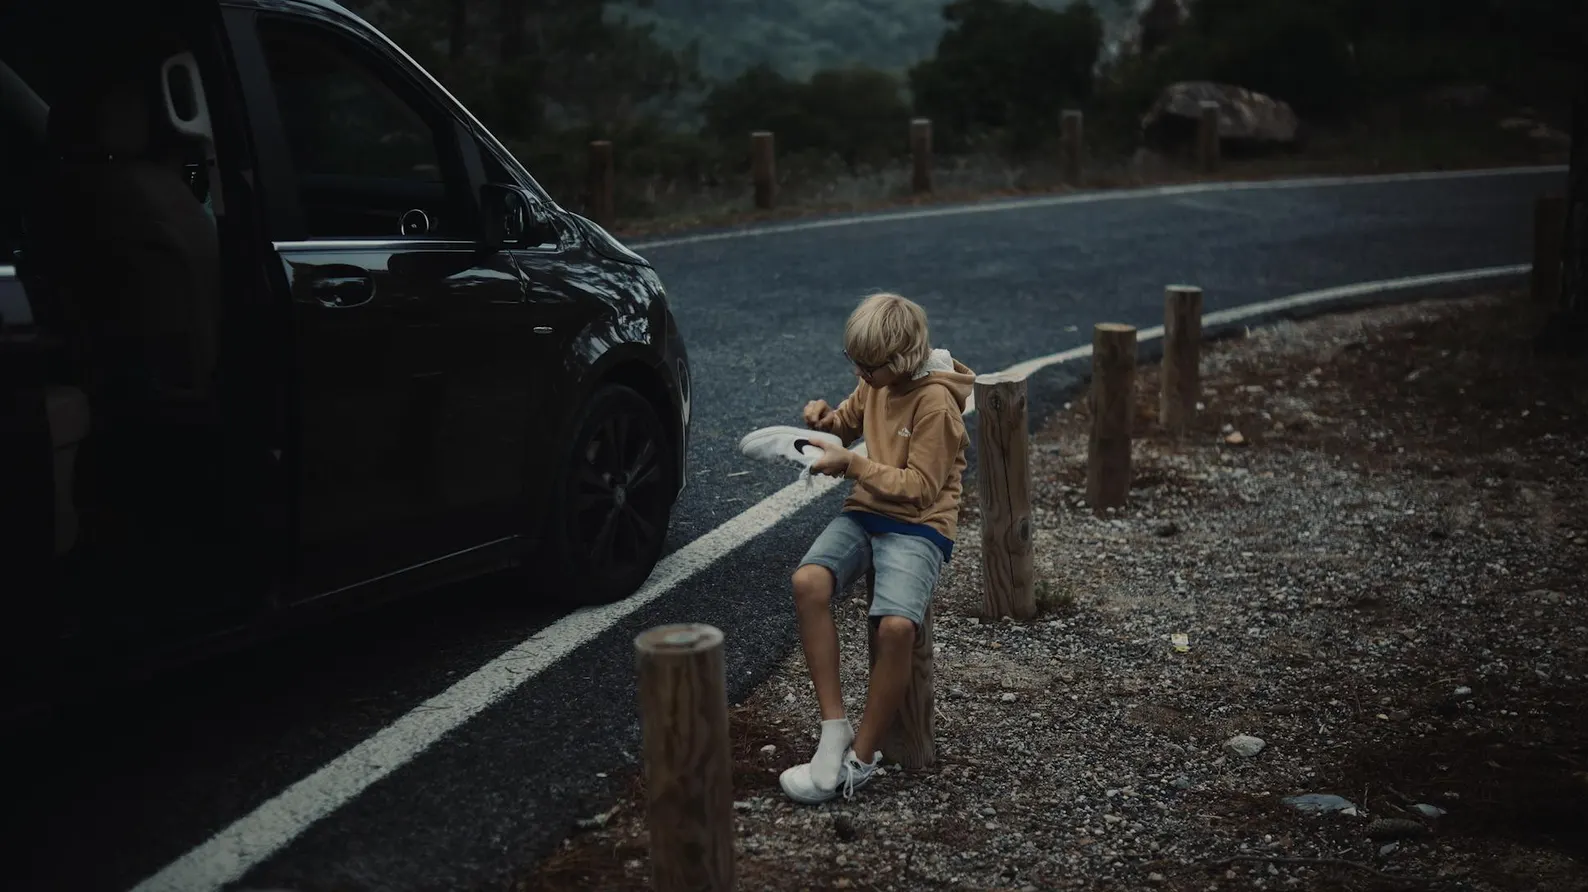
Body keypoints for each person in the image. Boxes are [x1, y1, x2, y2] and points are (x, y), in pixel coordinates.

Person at [779, 291, 976, 804]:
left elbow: (921, 488)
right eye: (856, 363)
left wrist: (852, 465)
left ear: (903, 359)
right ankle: (834, 727)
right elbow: (846, 423)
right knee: (808, 582)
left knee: (896, 627)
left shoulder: (936, 404)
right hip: (868, 509)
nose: (860, 375)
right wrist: (823, 422)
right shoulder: (875, 380)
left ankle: (862, 759)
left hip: (919, 524)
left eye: (869, 367)